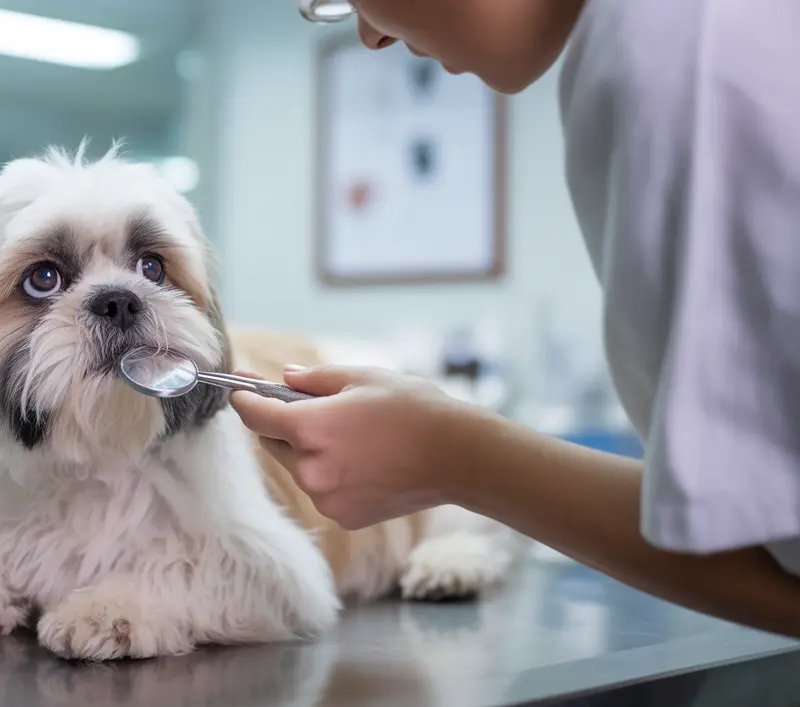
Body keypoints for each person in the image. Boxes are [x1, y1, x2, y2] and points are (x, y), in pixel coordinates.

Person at [231, 0, 800, 638]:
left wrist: (448, 455)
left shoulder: (693, 49)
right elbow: (768, 547)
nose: (370, 32)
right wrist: (451, 455)